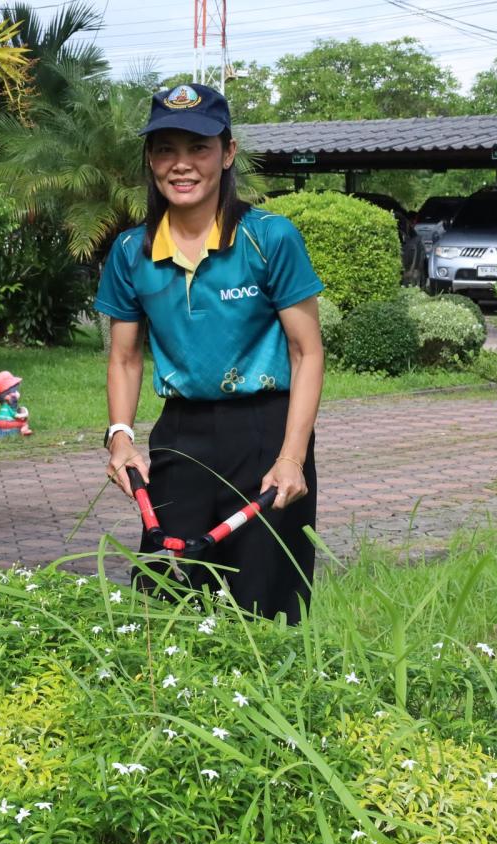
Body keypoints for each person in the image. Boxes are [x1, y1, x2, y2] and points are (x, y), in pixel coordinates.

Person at [96, 83, 324, 624]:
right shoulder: (131, 252)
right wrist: (120, 437)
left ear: (227, 153)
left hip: (267, 432)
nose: (182, 164)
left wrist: (291, 457)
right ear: (150, 159)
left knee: (268, 608)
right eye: (165, 149)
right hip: (182, 437)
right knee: (169, 600)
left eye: (198, 148)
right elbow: (126, 359)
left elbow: (307, 352)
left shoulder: (269, 238)